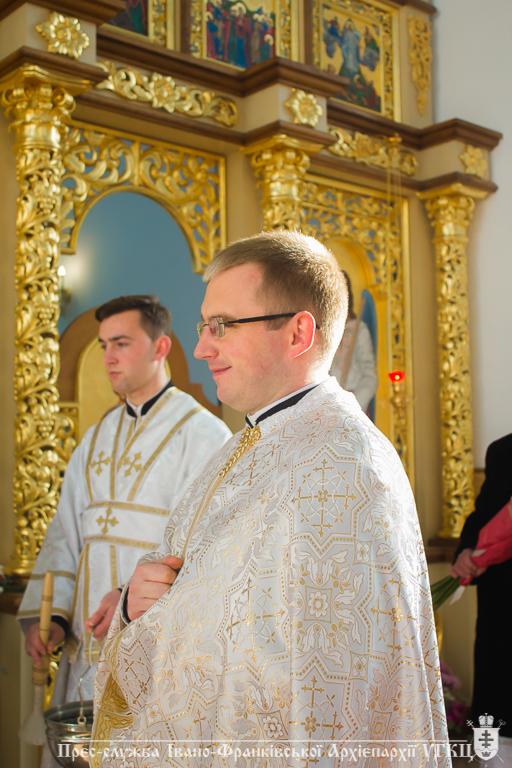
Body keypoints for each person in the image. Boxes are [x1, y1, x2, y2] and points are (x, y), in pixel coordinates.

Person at [92, 234, 448, 767]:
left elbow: (327, 690)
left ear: (298, 332)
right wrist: (134, 602)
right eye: (203, 326)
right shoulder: (244, 445)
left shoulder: (347, 465)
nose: (202, 349)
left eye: (222, 326)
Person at [18, 295, 231, 711]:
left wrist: (130, 595)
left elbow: (202, 548)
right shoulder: (95, 438)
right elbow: (65, 533)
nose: (108, 357)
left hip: (155, 647)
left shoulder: (203, 435)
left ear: (160, 347)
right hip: (85, 641)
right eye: (104, 345)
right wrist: (54, 616)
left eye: (121, 343)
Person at [451, 433, 512, 757]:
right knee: (499, 717)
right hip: (502, 608)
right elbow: (482, 515)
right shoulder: (503, 451)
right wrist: (468, 550)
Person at [330, 271, 378, 415]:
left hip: (353, 407)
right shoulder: (323, 330)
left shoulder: (358, 329)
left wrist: (353, 405)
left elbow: (370, 376)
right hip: (329, 407)